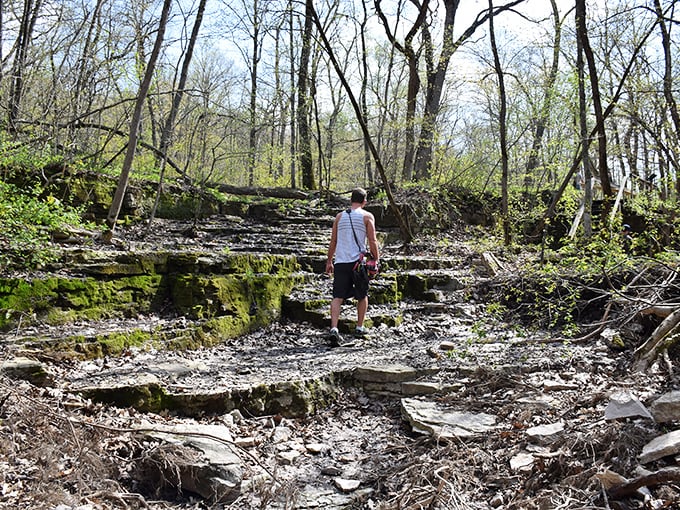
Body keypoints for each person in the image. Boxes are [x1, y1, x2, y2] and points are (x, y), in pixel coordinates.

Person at [325, 188, 380, 347]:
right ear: (364, 201)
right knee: (362, 295)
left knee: (337, 296)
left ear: (351, 200)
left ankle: (334, 328)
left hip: (341, 261)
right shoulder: (367, 216)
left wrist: (329, 261)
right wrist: (376, 259)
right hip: (358, 264)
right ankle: (359, 327)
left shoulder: (339, 217)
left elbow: (333, 241)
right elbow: (372, 240)